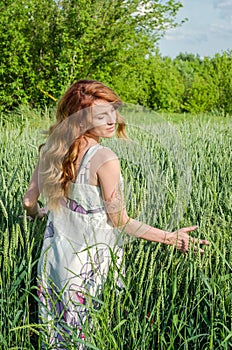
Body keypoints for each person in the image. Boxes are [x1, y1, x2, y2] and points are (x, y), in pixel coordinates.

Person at [23, 79, 209, 347]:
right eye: (101, 115)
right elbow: (120, 221)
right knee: (88, 338)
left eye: (112, 111)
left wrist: (40, 215)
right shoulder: (104, 158)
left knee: (56, 335)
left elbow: (29, 201)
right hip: (89, 267)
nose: (113, 120)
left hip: (52, 261)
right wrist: (172, 238)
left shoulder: (52, 150)